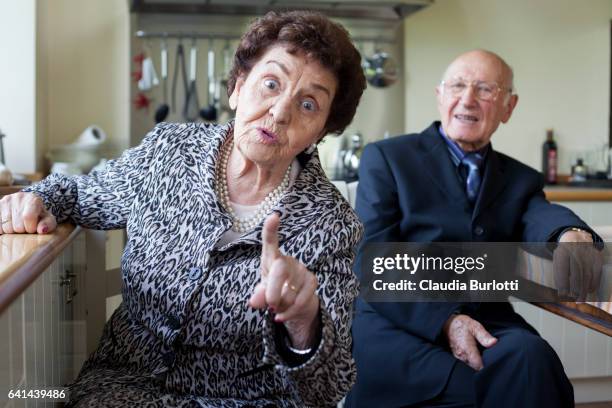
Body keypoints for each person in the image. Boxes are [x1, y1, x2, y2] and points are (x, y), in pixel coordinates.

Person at [0, 11, 366, 407]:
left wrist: (303, 322)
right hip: (123, 389)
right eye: (271, 83)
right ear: (238, 88)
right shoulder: (169, 151)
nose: (280, 112)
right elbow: (81, 194)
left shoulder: (331, 222)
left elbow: (327, 389)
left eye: (309, 103)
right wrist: (38, 199)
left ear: (322, 130)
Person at [346, 50, 601, 408]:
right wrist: (447, 321)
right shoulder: (388, 158)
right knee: (510, 389)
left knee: (533, 360)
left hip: (486, 323)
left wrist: (569, 234)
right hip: (400, 323)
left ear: (508, 107)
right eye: (457, 86)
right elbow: (373, 261)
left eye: (484, 89)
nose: (467, 99)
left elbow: (540, 214)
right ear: (440, 96)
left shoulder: (520, 178)